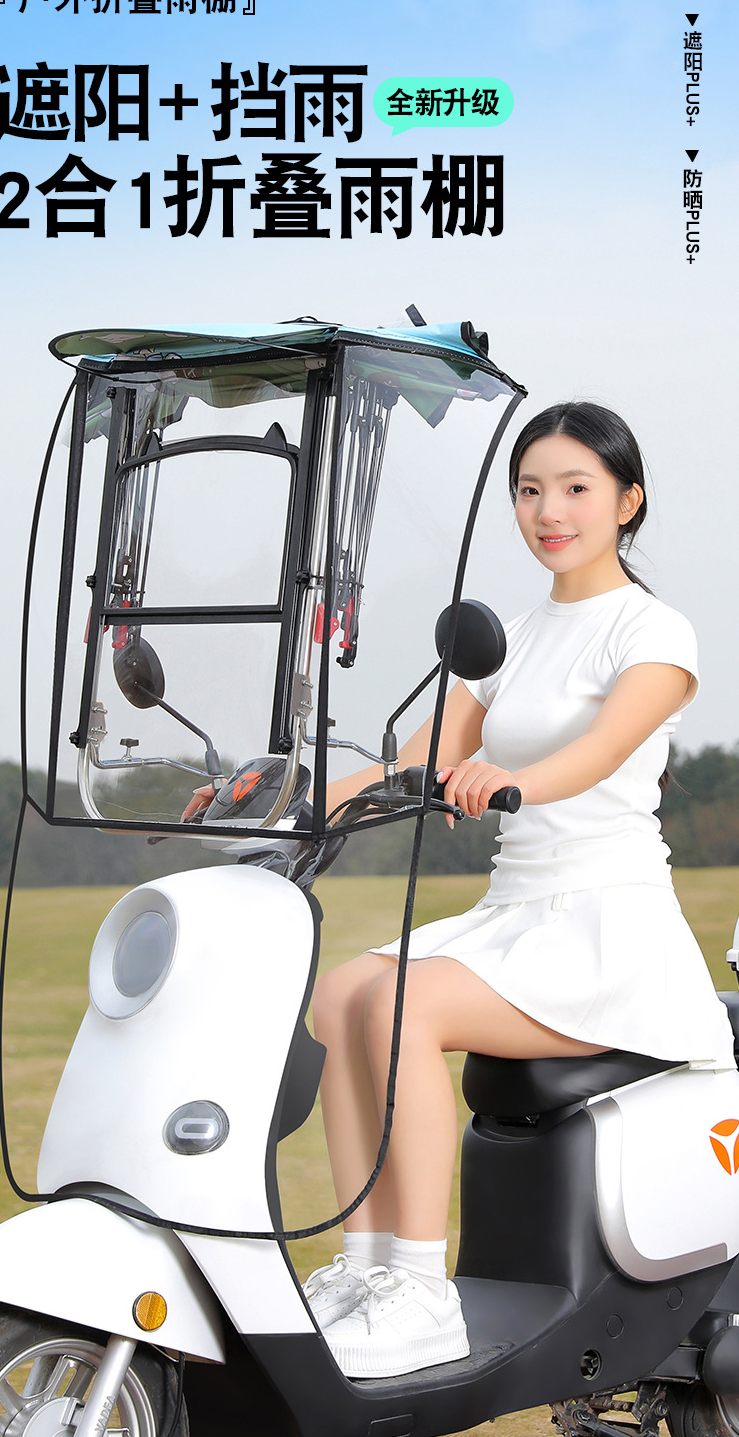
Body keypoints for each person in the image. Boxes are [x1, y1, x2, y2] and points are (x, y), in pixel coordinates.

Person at [301, 400, 736, 1382]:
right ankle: (365, 1270)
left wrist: (513, 781)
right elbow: (413, 762)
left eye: (576, 488)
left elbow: (600, 750)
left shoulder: (654, 631)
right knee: (338, 997)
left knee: (400, 1005)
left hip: (606, 924)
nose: (550, 510)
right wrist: (286, 796)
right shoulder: (512, 637)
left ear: (627, 500)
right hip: (515, 912)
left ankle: (420, 1290)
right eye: (530, 490)